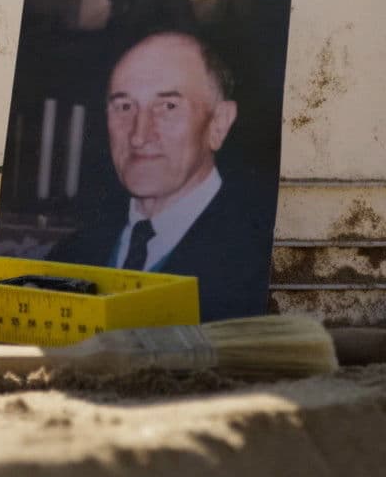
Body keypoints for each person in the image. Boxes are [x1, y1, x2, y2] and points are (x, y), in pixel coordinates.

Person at [43, 29, 271, 319]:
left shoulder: (264, 264)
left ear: (219, 123)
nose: (139, 136)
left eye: (167, 106)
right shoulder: (71, 255)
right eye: (124, 106)